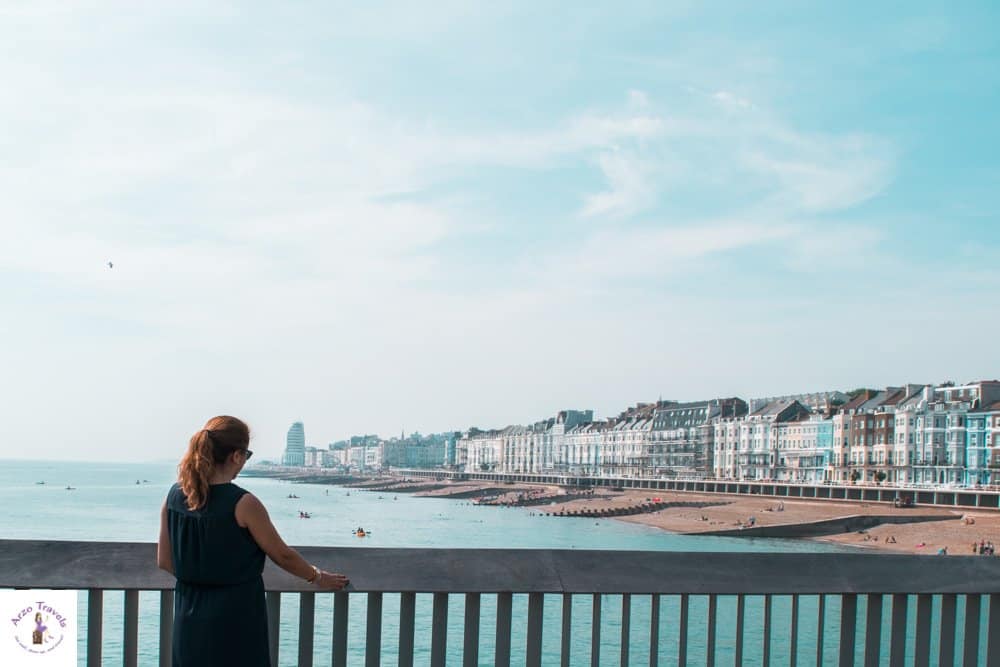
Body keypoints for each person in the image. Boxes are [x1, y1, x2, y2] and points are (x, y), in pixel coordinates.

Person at [158, 416, 348, 667]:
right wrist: (318, 577)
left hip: (188, 616)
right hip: (236, 616)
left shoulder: (174, 496)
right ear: (236, 456)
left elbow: (163, 560)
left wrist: (199, 579)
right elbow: (283, 555)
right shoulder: (243, 504)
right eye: (246, 455)